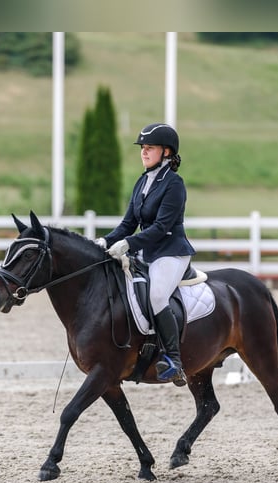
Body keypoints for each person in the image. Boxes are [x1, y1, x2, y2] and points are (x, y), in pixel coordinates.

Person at [95, 123, 196, 386]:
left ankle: (174, 360)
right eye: (142, 148)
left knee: (157, 295)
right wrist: (105, 240)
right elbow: (128, 223)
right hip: (146, 251)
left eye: (149, 148)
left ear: (166, 152)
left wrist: (128, 244)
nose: (144, 152)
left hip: (170, 253)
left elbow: (162, 228)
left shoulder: (174, 184)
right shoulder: (142, 181)